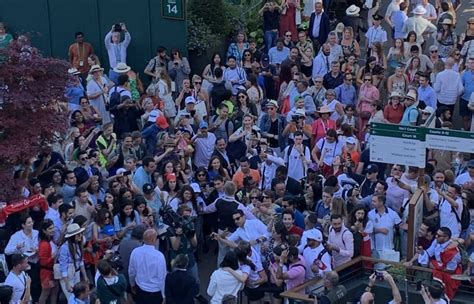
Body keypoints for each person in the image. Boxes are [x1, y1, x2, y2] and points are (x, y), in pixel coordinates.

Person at [416, 227, 462, 301]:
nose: (436, 237)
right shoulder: (436, 241)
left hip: (449, 274)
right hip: (439, 269)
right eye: (436, 234)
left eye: (439, 235)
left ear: (446, 237)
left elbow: (450, 270)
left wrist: (436, 267)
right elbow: (428, 253)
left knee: (441, 294)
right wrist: (421, 252)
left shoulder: (453, 251)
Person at [128, 229, 166, 304]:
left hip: (140, 290)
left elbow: (131, 271)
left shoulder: (135, 252)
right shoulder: (159, 256)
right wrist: (163, 295)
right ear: (153, 240)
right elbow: (162, 277)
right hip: (154, 292)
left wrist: (132, 284)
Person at [58, 223, 88, 300]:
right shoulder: (64, 248)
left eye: (80, 234)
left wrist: (85, 276)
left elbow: (81, 262)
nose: (80, 236)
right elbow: (63, 267)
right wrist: (67, 283)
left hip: (76, 273)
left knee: (78, 298)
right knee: (71, 298)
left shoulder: (78, 244)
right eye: (78, 235)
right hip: (68, 276)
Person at [38, 219, 59, 304]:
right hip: (47, 273)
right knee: (45, 294)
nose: (53, 230)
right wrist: (53, 256)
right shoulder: (44, 244)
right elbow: (43, 262)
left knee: (55, 293)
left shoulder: (51, 240)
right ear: (44, 231)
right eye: (50, 229)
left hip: (54, 271)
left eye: (53, 227)